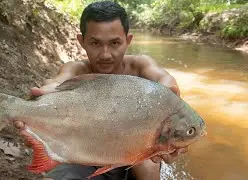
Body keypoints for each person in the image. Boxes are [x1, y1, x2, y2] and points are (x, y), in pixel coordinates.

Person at [14, 1, 187, 179]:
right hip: (85, 151)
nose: (105, 54)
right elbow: (55, 84)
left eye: (114, 43)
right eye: (96, 43)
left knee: (148, 167)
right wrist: (37, 101)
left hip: (135, 151)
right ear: (81, 41)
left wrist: (169, 99)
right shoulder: (75, 70)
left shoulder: (140, 66)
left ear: (128, 40)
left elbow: (165, 80)